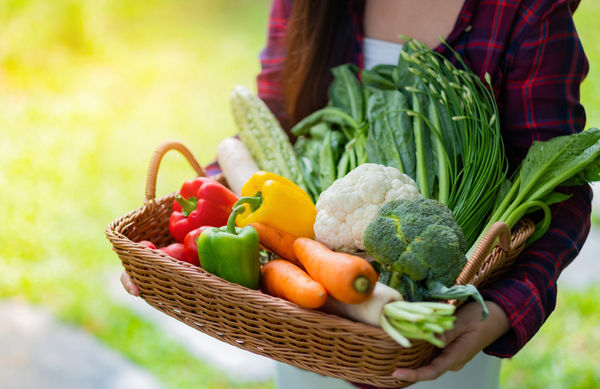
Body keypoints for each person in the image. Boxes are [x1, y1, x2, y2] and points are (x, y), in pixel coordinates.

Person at [123, 0, 593, 387]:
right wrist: (178, 244)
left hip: (442, 329)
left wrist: (507, 309)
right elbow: (273, 124)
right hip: (306, 327)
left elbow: (558, 189)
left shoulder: (526, 11)